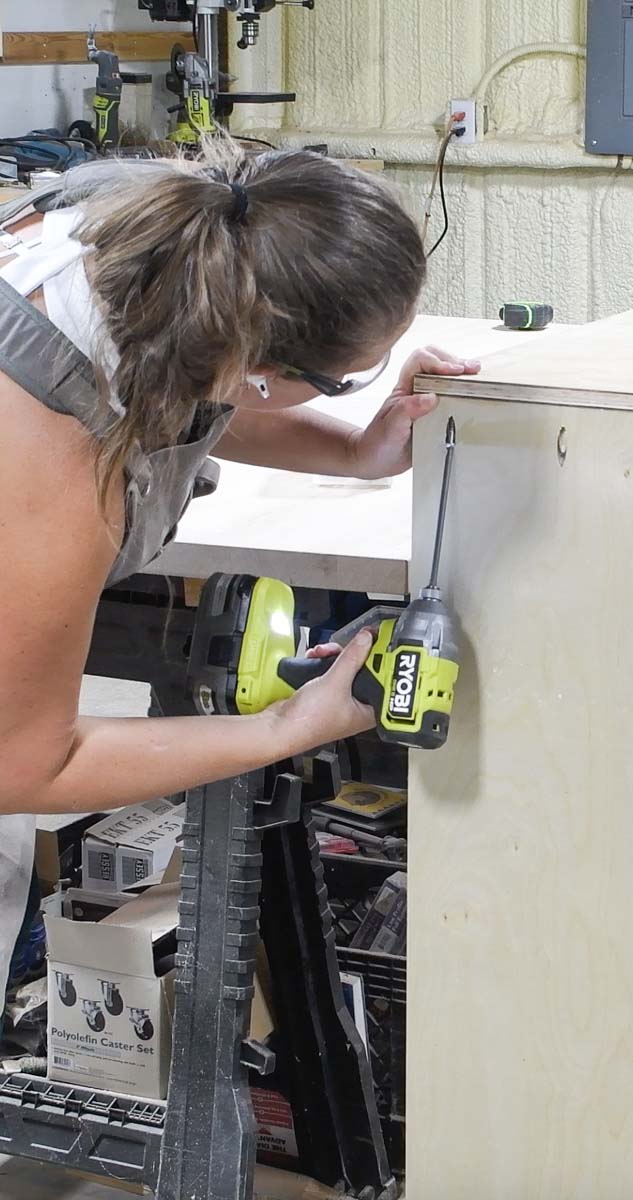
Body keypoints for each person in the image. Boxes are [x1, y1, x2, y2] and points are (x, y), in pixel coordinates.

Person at [0, 140, 479, 985]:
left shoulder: (165, 234)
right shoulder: (58, 463)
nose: (352, 388)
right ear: (258, 366)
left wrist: (359, 448)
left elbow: (186, 380)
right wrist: (286, 728)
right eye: (344, 381)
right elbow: (26, 762)